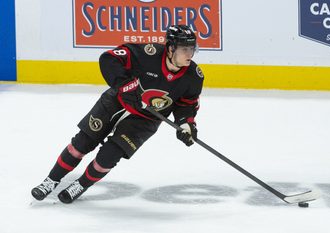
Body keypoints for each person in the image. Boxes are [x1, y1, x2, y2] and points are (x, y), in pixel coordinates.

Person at [31, 25, 204, 204]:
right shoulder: (148, 53)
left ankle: (81, 185)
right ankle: (50, 181)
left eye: (192, 48)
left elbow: (187, 104)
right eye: (185, 49)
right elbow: (109, 59)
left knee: (109, 156)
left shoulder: (194, 76)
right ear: (170, 48)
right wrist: (124, 85)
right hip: (117, 102)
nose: (189, 54)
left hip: (146, 119)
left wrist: (186, 123)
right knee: (82, 143)